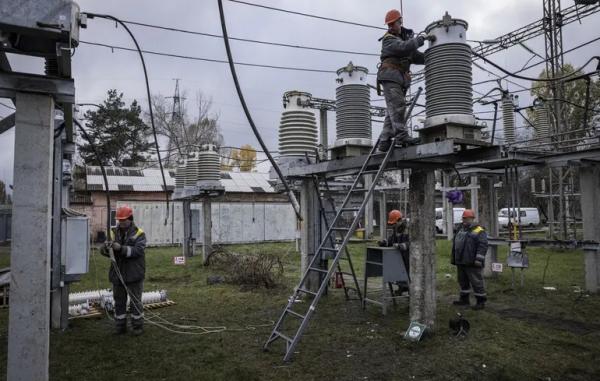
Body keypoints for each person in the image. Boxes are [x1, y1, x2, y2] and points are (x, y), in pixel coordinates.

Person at [377, 9, 435, 151]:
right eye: (389, 25)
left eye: (393, 24)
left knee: (393, 109)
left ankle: (384, 141)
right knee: (398, 106)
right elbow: (403, 47)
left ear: (400, 23)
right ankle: (401, 136)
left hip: (398, 79)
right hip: (390, 77)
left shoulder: (403, 40)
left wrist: (434, 54)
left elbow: (416, 56)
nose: (391, 27)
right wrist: (421, 39)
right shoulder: (389, 39)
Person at [101, 205, 147, 335]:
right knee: (119, 302)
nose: (121, 222)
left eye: (123, 220)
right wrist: (106, 248)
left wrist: (120, 248)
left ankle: (137, 327)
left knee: (135, 302)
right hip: (118, 274)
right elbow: (104, 251)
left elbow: (137, 251)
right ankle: (120, 327)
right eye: (119, 220)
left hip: (134, 274)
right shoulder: (112, 233)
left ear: (130, 218)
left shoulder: (139, 233)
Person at [451, 209, 488, 310]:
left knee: (476, 281)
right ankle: (464, 300)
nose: (465, 220)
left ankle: (481, 301)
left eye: (467, 218)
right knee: (462, 281)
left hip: (472, 262)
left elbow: (483, 245)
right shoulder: (461, 228)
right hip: (461, 261)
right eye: (464, 218)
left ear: (472, 218)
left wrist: (478, 260)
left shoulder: (479, 230)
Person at [378, 209, 410, 294]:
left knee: (408, 272)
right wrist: (384, 242)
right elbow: (392, 239)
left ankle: (409, 290)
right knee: (399, 269)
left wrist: (401, 246)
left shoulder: (408, 228)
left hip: (408, 255)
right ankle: (402, 286)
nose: (393, 226)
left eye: (394, 223)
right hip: (400, 254)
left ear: (399, 220)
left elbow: (412, 243)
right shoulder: (396, 228)